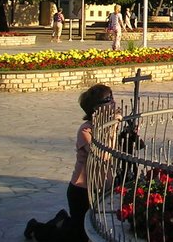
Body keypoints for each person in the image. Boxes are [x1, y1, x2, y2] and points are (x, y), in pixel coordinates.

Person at [24, 84, 120, 242]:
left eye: (112, 99)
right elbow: (103, 155)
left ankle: (62, 220)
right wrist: (114, 127)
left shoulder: (106, 128)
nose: (113, 105)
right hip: (81, 190)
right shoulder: (86, 131)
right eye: (108, 102)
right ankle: (36, 229)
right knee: (78, 235)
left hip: (100, 187)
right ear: (96, 109)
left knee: (90, 227)